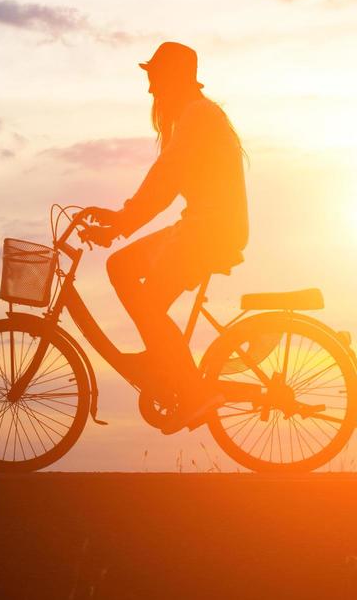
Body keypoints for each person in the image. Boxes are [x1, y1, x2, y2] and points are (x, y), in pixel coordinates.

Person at [80, 41, 248, 426]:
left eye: (155, 79)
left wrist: (121, 223)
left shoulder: (199, 116)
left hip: (210, 231)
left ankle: (195, 392)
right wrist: (119, 221)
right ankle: (162, 358)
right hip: (199, 226)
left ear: (173, 78)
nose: (150, 90)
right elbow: (164, 183)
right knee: (121, 266)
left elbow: (164, 181)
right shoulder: (191, 118)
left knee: (150, 305)